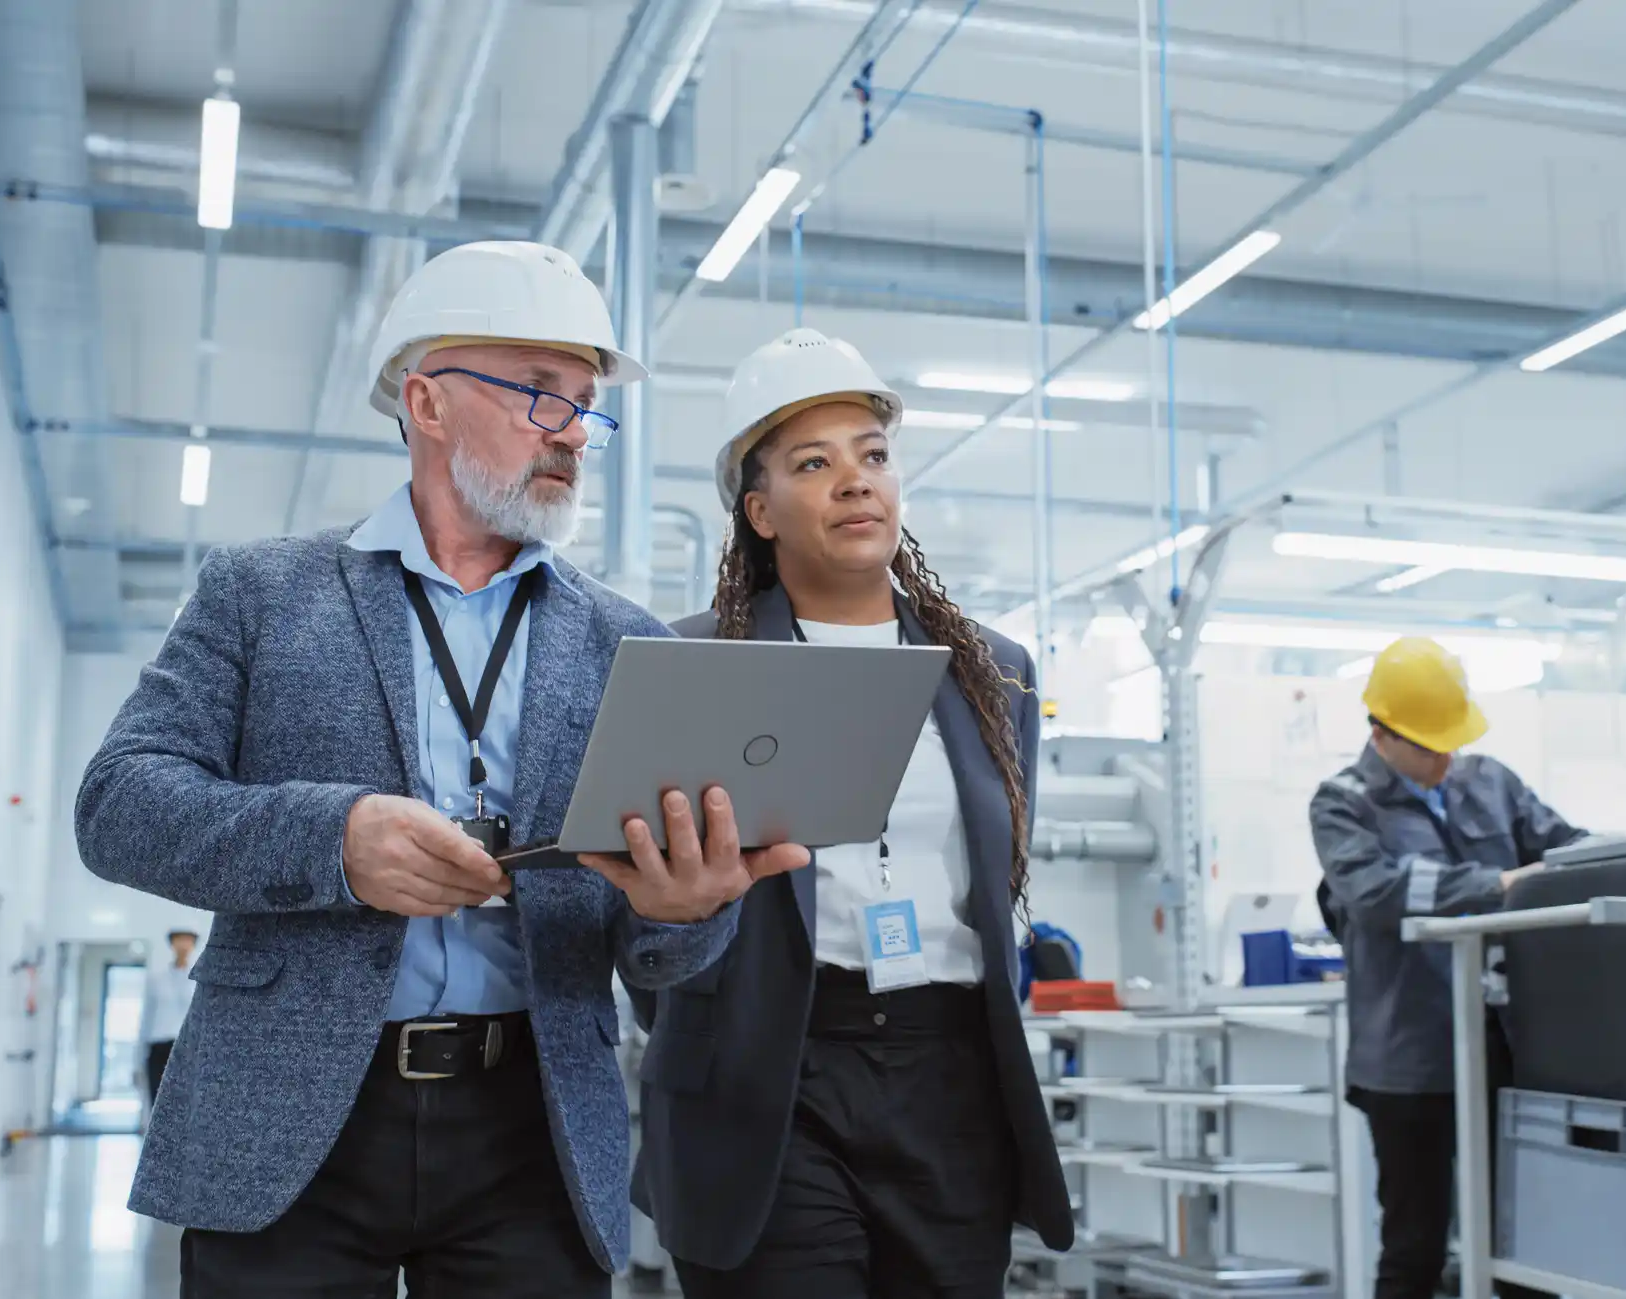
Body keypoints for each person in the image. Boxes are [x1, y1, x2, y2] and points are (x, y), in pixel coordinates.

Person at [75, 240, 807, 1298]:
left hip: (534, 1129)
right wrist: (332, 841)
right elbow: (119, 804)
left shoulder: (627, 642)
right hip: (288, 1116)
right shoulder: (263, 593)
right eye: (539, 396)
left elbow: (656, 961)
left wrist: (685, 912)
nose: (572, 436)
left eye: (586, 409)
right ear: (425, 402)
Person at [630, 328, 1072, 1298]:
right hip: (766, 1077)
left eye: (871, 455)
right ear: (758, 510)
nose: (853, 481)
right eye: (812, 463)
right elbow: (642, 911)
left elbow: (998, 880)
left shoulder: (994, 671)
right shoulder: (692, 663)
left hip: (947, 1075)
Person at [1309, 636, 1584, 1299]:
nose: (1444, 757)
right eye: (1428, 744)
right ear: (1381, 734)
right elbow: (1376, 892)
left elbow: (1565, 849)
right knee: (1414, 1247)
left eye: (1449, 740)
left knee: (1526, 1244)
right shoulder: (1342, 803)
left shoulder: (1491, 782)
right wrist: (1498, 883)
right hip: (1408, 1061)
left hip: (1506, 1049)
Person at [138, 928, 198, 1107]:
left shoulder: (198, 981)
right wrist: (138, 1059)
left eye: (187, 940)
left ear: (193, 944)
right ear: (172, 943)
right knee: (157, 1103)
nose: (183, 944)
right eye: (179, 939)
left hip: (189, 1048)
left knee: (186, 1105)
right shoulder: (157, 979)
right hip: (159, 1048)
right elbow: (146, 1018)